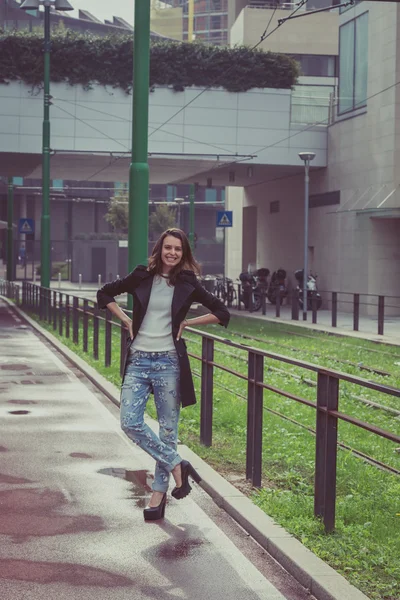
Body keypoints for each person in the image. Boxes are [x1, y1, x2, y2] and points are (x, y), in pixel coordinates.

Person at [97, 228, 230, 521]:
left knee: (168, 431)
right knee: (130, 422)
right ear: (160, 249)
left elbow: (222, 312)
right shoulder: (141, 275)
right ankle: (177, 465)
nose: (172, 253)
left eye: (178, 250)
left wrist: (187, 323)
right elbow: (104, 292)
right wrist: (125, 319)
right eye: (168, 247)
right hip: (139, 360)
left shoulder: (187, 283)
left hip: (169, 362)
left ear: (184, 255)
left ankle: (158, 496)